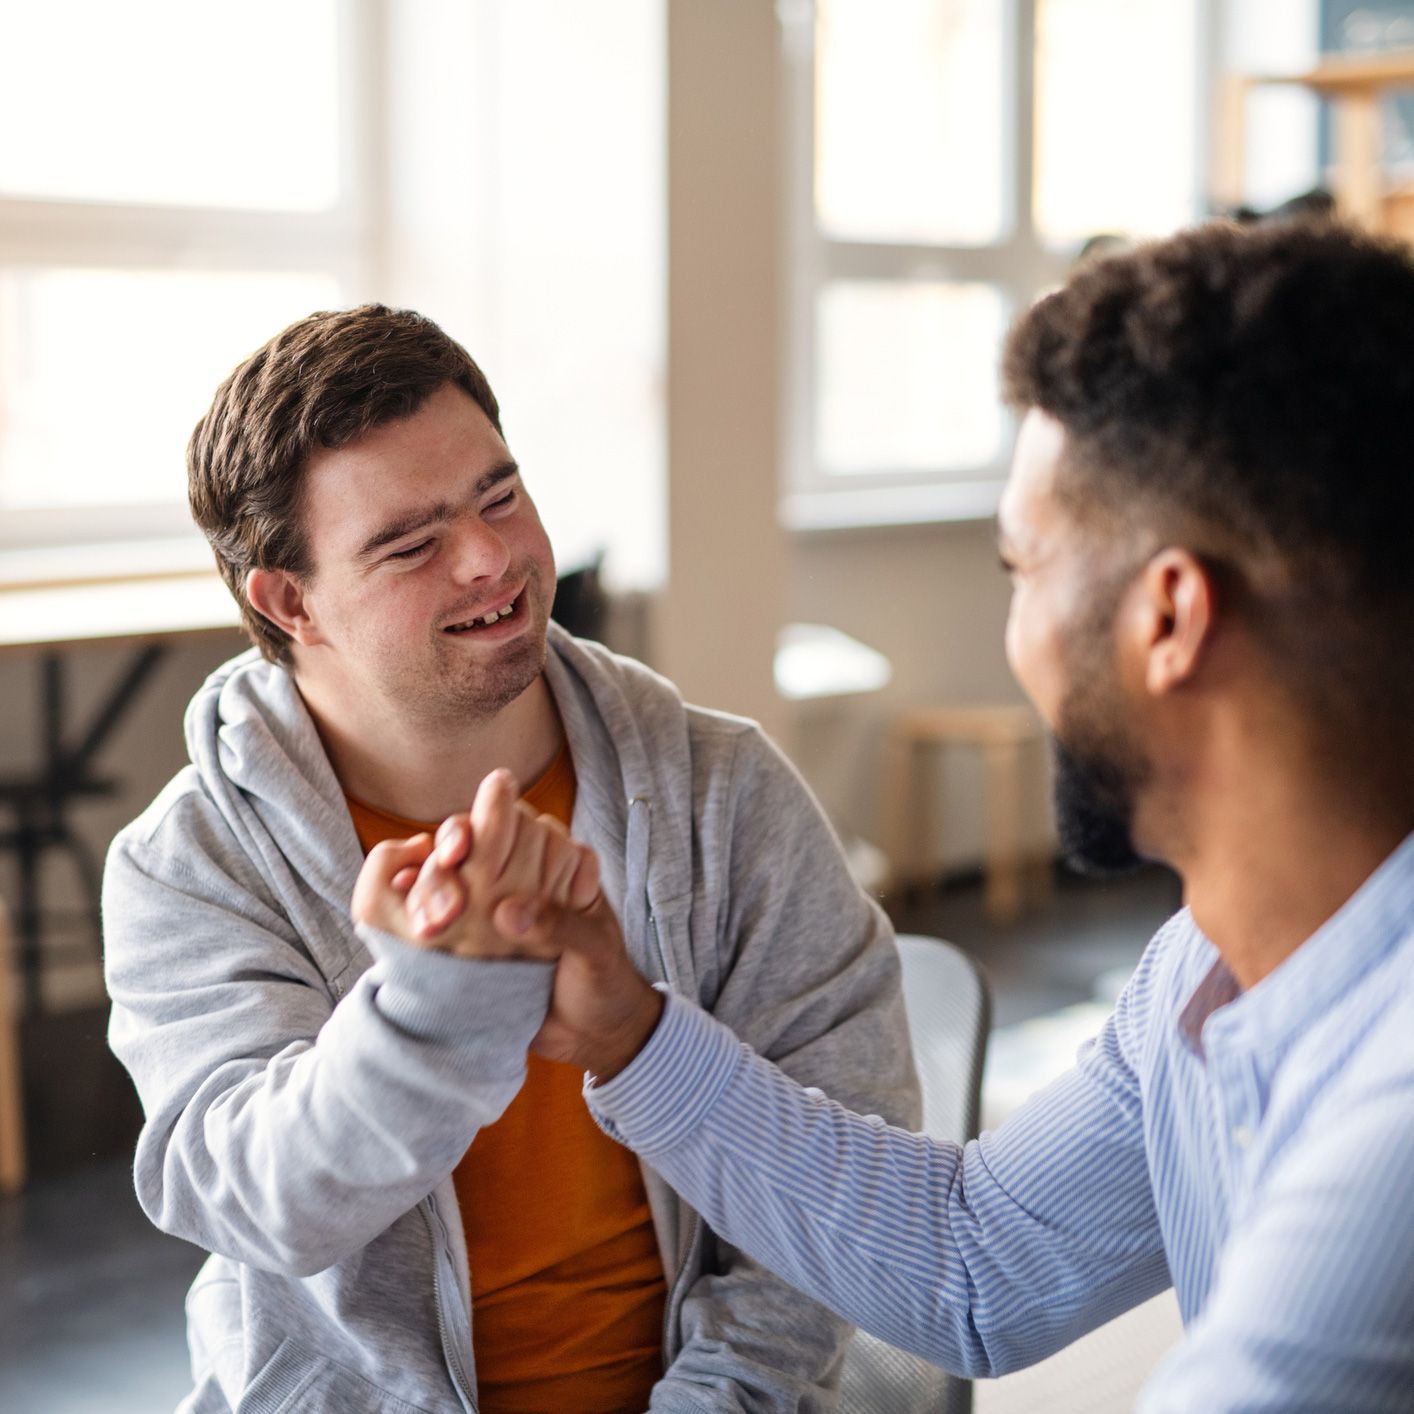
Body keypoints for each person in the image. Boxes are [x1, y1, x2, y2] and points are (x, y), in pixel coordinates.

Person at [383, 218, 1414, 1411]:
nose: (1010, 629)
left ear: (1168, 618)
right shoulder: (1204, 969)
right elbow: (980, 1266)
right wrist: (628, 1030)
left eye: (1019, 569)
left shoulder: (1387, 1133)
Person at [102, 304, 919, 1413]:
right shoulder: (188, 862)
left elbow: (837, 1175)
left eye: (500, 495)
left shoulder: (723, 791)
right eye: (411, 543)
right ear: (291, 601)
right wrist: (437, 1004)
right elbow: (261, 1199)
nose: (492, 558)